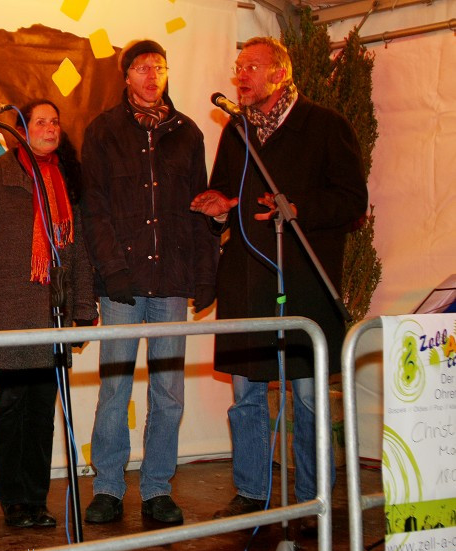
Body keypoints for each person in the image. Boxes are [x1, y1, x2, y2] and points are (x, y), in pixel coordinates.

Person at [190, 37, 368, 519]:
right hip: (246, 284)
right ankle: (251, 492)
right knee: (246, 396)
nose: (240, 76)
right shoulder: (237, 129)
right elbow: (228, 189)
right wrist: (220, 205)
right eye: (237, 67)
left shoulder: (326, 127)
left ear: (280, 74)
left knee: (308, 399)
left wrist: (300, 210)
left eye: (250, 67)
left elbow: (352, 201)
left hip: (303, 286)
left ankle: (316, 500)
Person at [80, 39, 218, 525]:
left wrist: (204, 275)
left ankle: (158, 487)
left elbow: (200, 207)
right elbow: (92, 208)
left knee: (169, 391)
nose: (152, 75)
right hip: (122, 282)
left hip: (172, 280)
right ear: (125, 76)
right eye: (142, 67)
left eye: (160, 67)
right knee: (115, 388)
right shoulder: (102, 131)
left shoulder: (188, 133)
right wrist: (111, 270)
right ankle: (109, 488)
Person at [0, 100, 98, 528]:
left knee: (42, 407)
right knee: (13, 405)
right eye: (40, 121)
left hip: (50, 314)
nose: (50, 127)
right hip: (8, 313)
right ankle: (13, 499)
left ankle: (36, 498)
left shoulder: (65, 180)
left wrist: (81, 310)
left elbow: (76, 252)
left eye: (55, 121)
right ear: (21, 130)